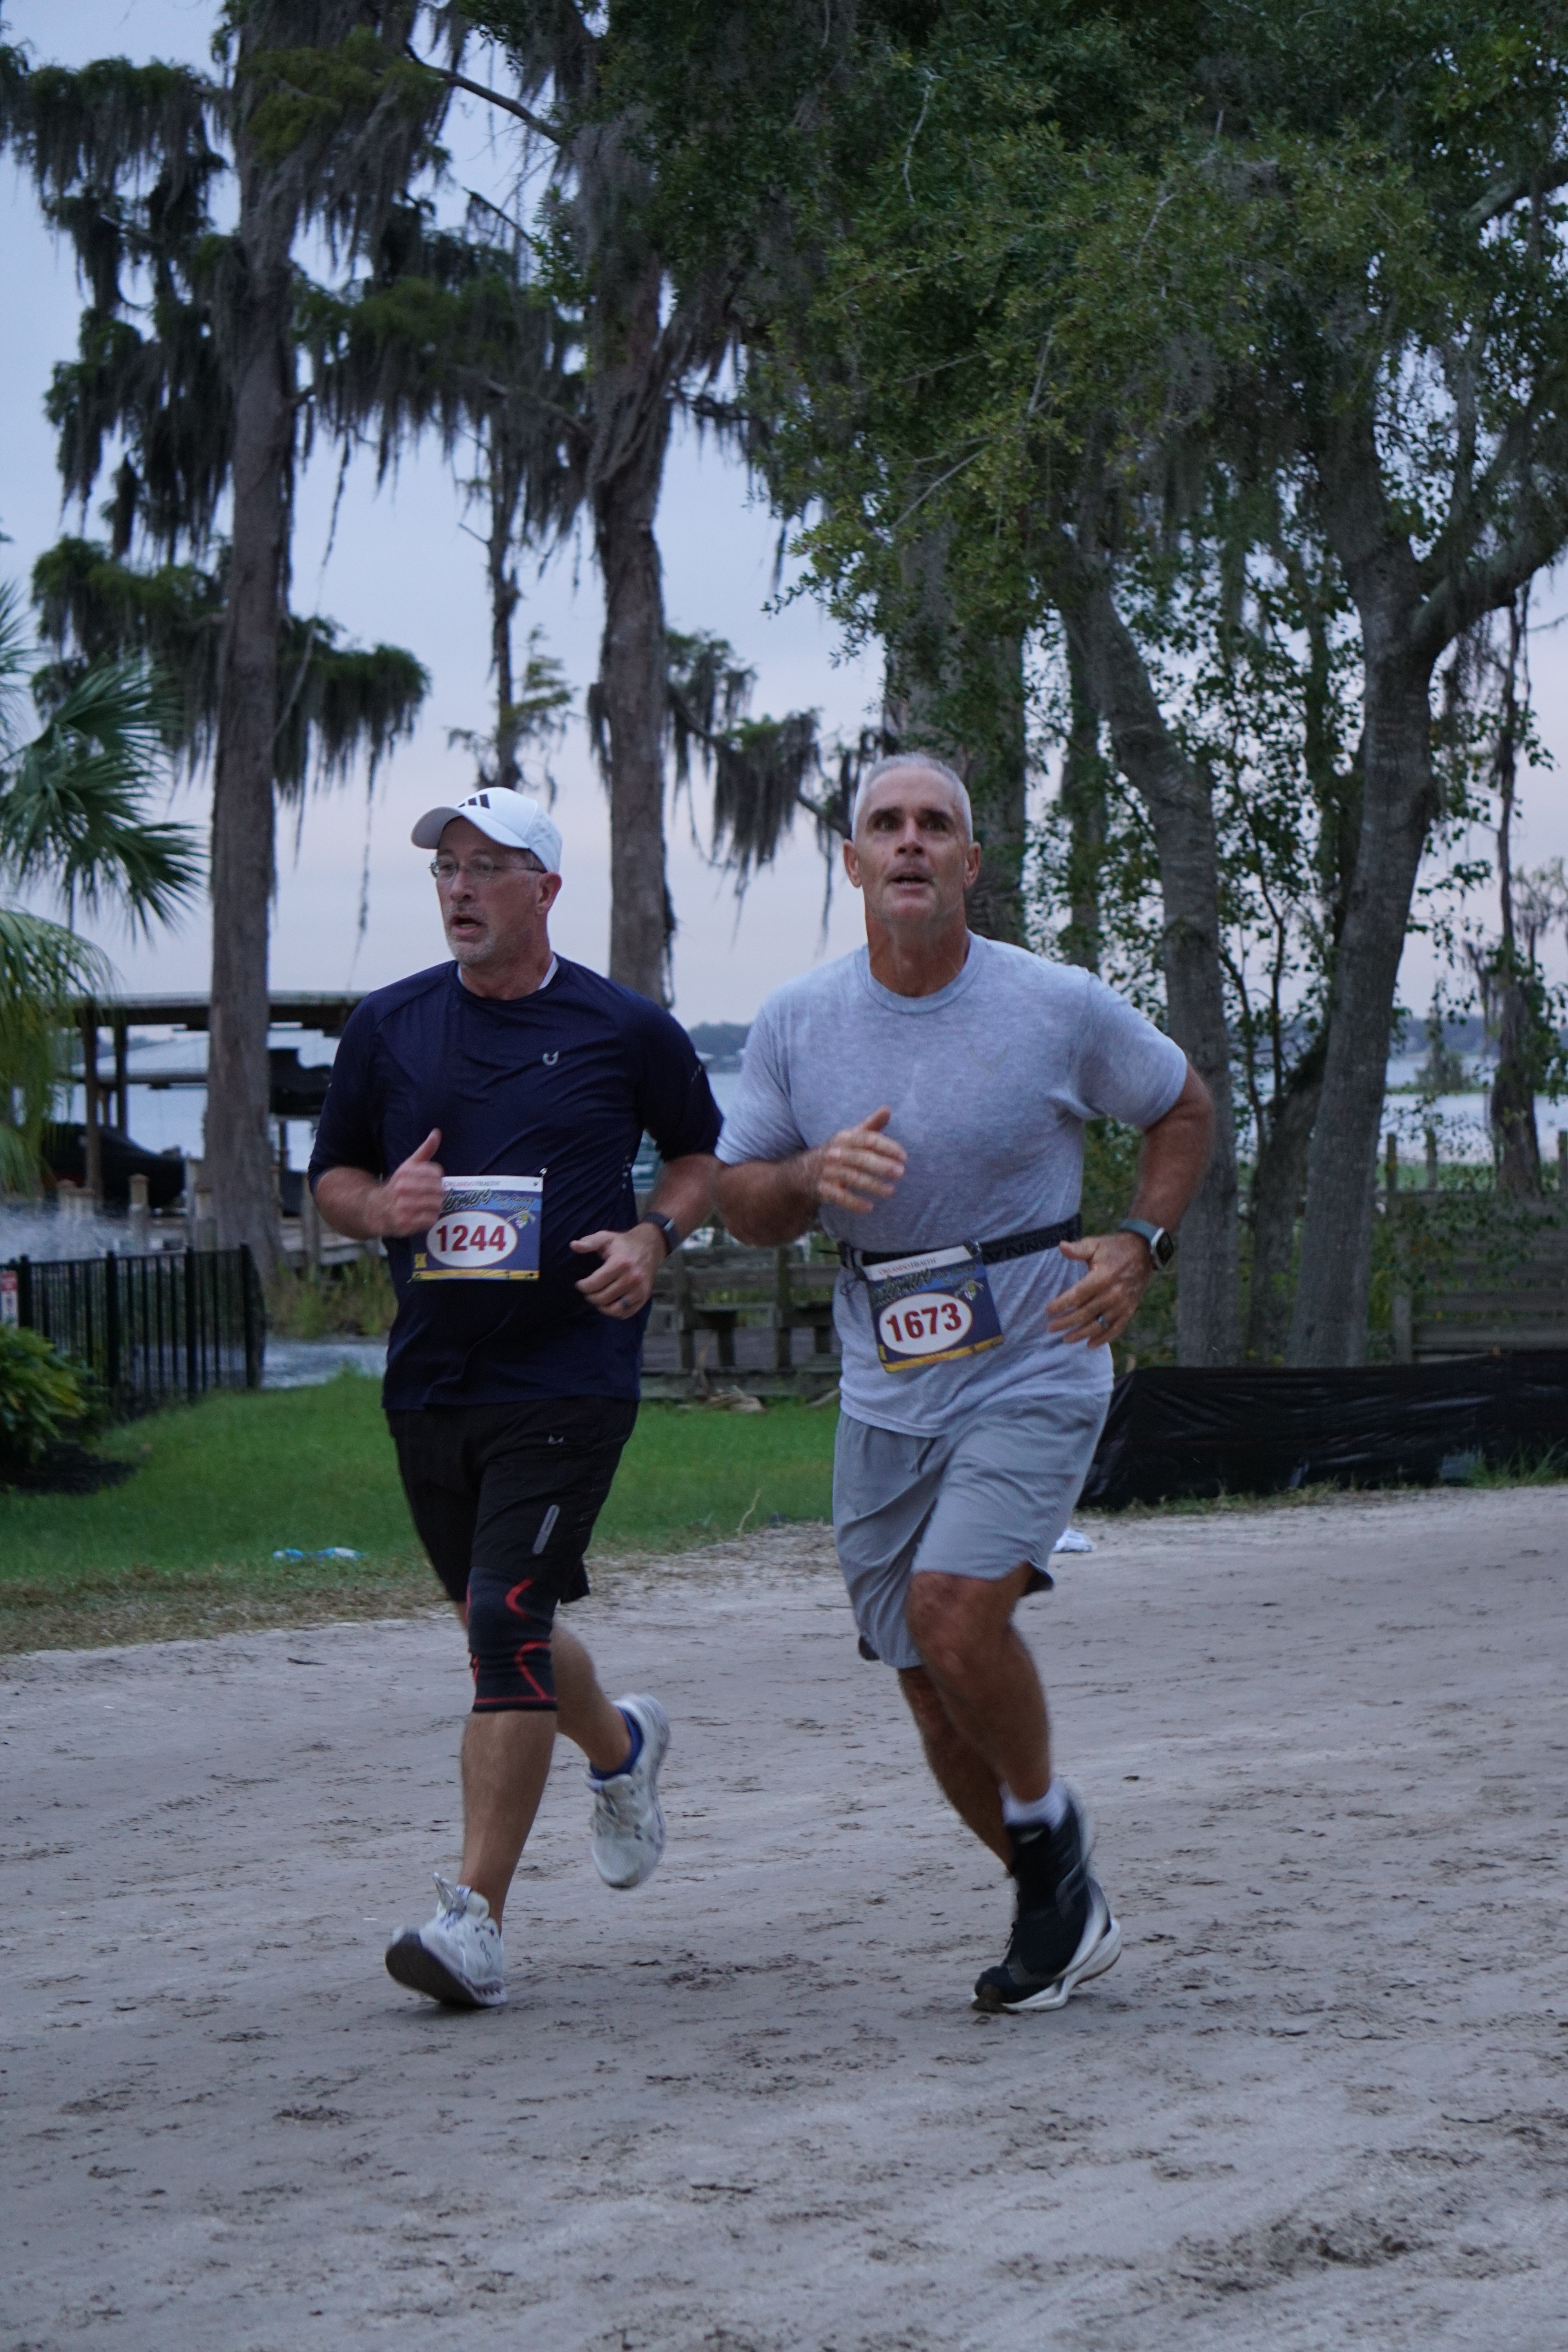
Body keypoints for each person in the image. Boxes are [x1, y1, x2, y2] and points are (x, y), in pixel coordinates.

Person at [713, 753, 1213, 2013]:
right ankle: (1059, 1891)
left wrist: (1141, 1242)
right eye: (887, 825)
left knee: (953, 1611)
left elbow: (1184, 1107)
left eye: (937, 825)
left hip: (1037, 1353)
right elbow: (740, 1205)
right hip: (888, 1379)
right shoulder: (798, 1022)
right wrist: (807, 1179)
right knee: (927, 1685)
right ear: (852, 863)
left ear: (972, 865)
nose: (912, 844)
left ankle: (1047, 1836)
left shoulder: (1052, 1005)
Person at [310, 786, 720, 2009]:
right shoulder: (388, 1027)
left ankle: (471, 1923)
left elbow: (700, 1159)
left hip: (570, 1374)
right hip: (433, 1381)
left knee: (503, 1626)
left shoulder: (624, 1027)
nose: (460, 888)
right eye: (447, 866)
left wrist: (654, 1236)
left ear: (546, 888)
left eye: (488, 867)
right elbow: (332, 1176)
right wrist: (378, 1210)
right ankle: (623, 1746)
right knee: (507, 1631)